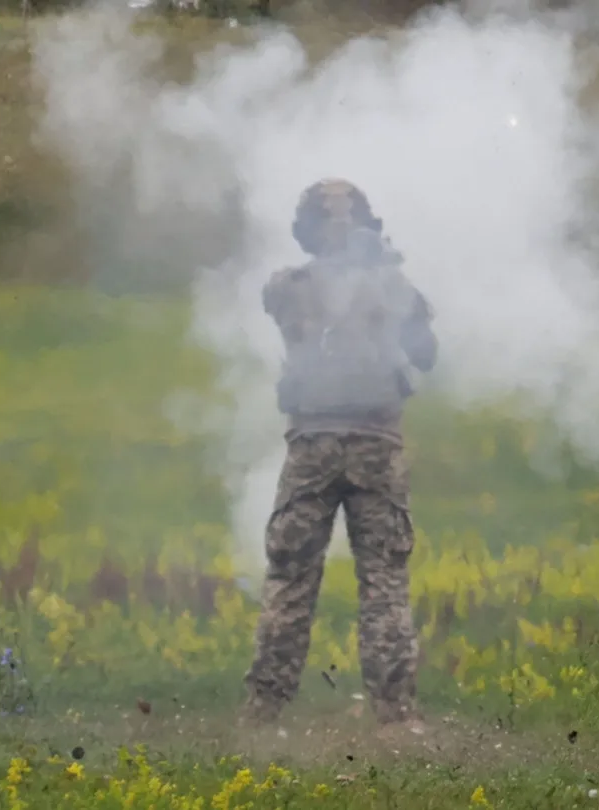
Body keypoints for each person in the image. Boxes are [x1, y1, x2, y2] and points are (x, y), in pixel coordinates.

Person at [241, 177, 438, 732]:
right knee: (384, 584)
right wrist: (386, 278)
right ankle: (396, 716)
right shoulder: (391, 285)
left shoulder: (287, 285)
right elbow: (426, 355)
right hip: (376, 445)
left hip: (311, 446)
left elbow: (285, 306)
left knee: (290, 579)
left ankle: (263, 711)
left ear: (305, 230)